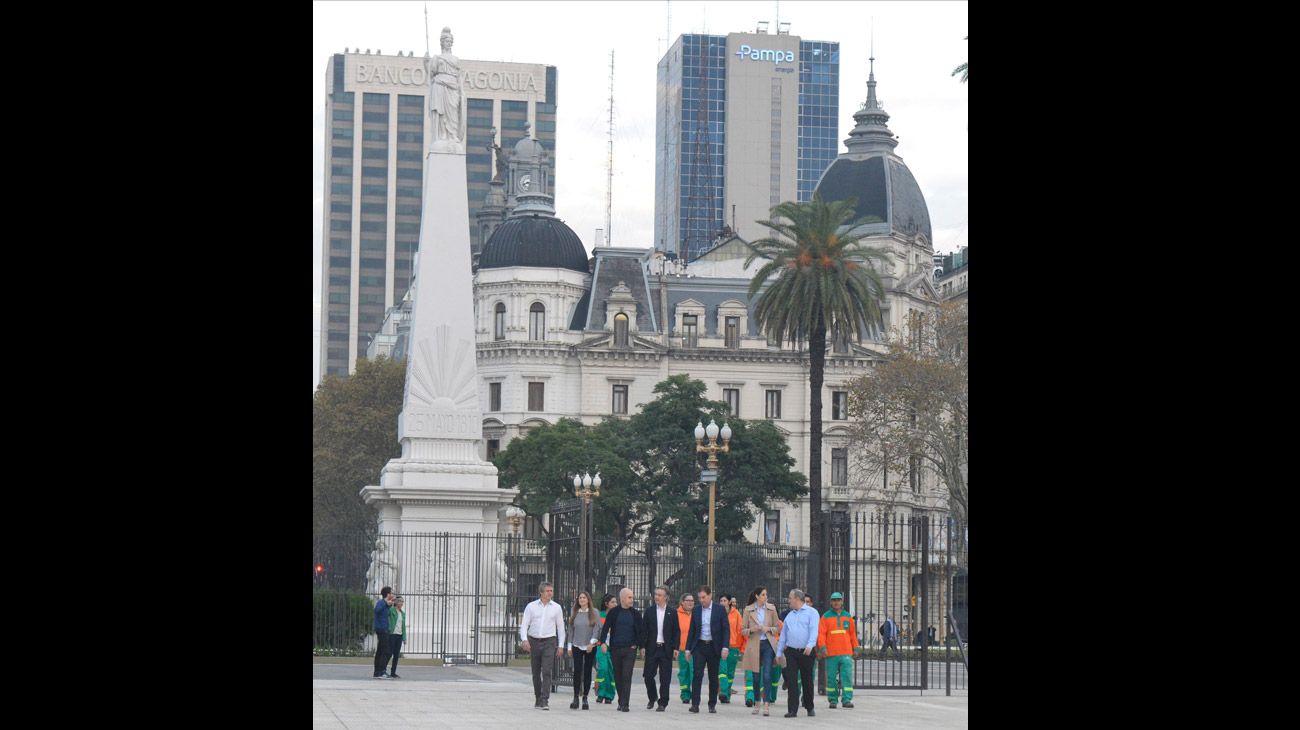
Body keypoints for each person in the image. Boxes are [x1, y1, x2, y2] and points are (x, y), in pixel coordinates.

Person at [519, 581, 566, 710]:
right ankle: (538, 697)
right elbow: (524, 625)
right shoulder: (531, 607)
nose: (550, 593)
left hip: (549, 641)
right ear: (541, 592)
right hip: (534, 640)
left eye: (551, 591)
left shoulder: (556, 608)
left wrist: (561, 645)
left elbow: (561, 627)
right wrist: (524, 640)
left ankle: (545, 699)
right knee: (535, 671)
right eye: (547, 591)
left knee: (546, 670)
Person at [596, 587, 643, 712]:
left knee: (627, 676)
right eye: (629, 597)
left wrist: (639, 645)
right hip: (616, 649)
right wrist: (602, 642)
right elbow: (605, 628)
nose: (632, 600)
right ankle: (621, 700)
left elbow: (641, 631)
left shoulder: (635, 614)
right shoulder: (614, 612)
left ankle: (625, 704)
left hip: (630, 649)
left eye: (632, 597)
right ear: (622, 598)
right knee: (618, 676)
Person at [685, 585, 730, 714]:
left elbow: (726, 630)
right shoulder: (696, 610)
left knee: (713, 677)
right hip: (699, 646)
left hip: (713, 647)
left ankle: (712, 704)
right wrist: (688, 649)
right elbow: (692, 630)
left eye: (704, 597)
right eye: (699, 598)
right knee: (697, 675)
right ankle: (695, 704)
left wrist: (725, 647)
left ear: (710, 595)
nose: (701, 600)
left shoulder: (719, 610)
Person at [776, 589, 819, 718]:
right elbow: (783, 635)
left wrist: (810, 645)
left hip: (806, 652)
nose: (788, 600)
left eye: (790, 598)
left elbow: (813, 630)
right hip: (791, 652)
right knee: (791, 680)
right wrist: (778, 653)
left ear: (797, 599)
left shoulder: (812, 613)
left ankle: (809, 707)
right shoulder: (790, 615)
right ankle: (792, 710)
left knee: (807, 680)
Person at [739, 586, 780, 716]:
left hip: (768, 645)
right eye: (763, 594)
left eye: (766, 594)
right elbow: (743, 630)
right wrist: (753, 629)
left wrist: (767, 628)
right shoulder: (748, 610)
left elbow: (777, 628)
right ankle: (757, 702)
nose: (765, 596)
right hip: (754, 645)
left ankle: (766, 704)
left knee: (767, 675)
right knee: (756, 677)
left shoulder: (771, 608)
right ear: (757, 596)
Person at [424, 27, 466, 149]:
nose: (448, 43)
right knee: (441, 113)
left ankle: (452, 135)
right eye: (446, 41)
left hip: (453, 88)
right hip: (440, 86)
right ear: (442, 42)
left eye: (450, 41)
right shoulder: (437, 58)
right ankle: (442, 135)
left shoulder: (456, 60)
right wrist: (426, 62)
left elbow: (459, 77)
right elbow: (431, 73)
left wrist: (462, 93)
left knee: (452, 113)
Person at [640, 585, 680, 712]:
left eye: (659, 595)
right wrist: (642, 646)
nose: (656, 597)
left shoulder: (672, 612)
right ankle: (652, 697)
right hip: (652, 648)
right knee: (648, 676)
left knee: (665, 678)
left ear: (666, 597)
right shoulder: (649, 611)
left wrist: (676, 648)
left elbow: (676, 632)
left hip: (666, 649)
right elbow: (644, 630)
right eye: (656, 594)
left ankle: (663, 702)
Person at [818, 592, 858, 709]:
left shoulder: (848, 616)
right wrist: (823, 648)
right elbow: (821, 635)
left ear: (842, 602)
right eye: (834, 600)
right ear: (831, 602)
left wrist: (855, 648)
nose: (836, 602)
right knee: (831, 678)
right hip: (831, 653)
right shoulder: (825, 617)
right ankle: (833, 700)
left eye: (838, 600)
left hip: (846, 652)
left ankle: (847, 700)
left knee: (846, 677)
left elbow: (852, 635)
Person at [566, 590, 600, 710]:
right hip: (577, 645)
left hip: (590, 646)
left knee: (587, 672)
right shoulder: (574, 612)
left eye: (584, 598)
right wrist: (569, 646)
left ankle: (585, 697)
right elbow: (570, 630)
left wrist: (592, 643)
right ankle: (575, 697)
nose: (582, 600)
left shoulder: (594, 612)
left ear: (588, 600)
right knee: (577, 671)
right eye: (580, 598)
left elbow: (597, 629)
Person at [719, 594, 744, 703]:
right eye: (721, 600)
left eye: (724, 600)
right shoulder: (718, 613)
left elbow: (740, 630)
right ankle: (723, 692)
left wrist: (739, 646)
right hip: (721, 647)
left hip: (734, 647)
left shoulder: (737, 614)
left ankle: (726, 694)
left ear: (729, 602)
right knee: (722, 671)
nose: (722, 602)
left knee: (730, 673)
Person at [594, 594, 617, 704]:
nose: (615, 604)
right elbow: (596, 631)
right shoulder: (600, 615)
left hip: (612, 647)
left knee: (611, 670)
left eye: (616, 602)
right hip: (600, 646)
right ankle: (600, 693)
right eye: (613, 602)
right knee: (602, 668)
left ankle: (610, 695)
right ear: (606, 603)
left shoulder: (617, 615)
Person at [675, 592, 695, 705]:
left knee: (694, 672)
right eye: (688, 600)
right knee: (683, 673)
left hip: (694, 650)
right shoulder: (676, 614)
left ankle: (695, 693)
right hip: (682, 650)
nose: (690, 603)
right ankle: (685, 694)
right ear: (682, 602)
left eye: (692, 600)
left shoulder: (696, 613)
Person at [372, 587, 394, 678]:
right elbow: (377, 610)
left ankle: (377, 672)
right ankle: (382, 671)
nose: (392, 594)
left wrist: (389, 605)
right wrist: (386, 604)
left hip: (385, 629)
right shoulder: (381, 602)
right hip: (381, 629)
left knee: (380, 651)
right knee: (387, 651)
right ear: (387, 594)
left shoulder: (386, 604)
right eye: (391, 593)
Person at [387, 596, 407, 679]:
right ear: (396, 602)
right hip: (392, 634)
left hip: (399, 635)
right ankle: (383, 670)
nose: (401, 603)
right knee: (389, 653)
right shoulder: (392, 610)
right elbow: (387, 613)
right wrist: (390, 603)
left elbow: (403, 626)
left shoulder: (402, 613)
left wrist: (404, 638)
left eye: (402, 602)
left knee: (396, 655)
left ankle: (393, 672)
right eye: (400, 601)